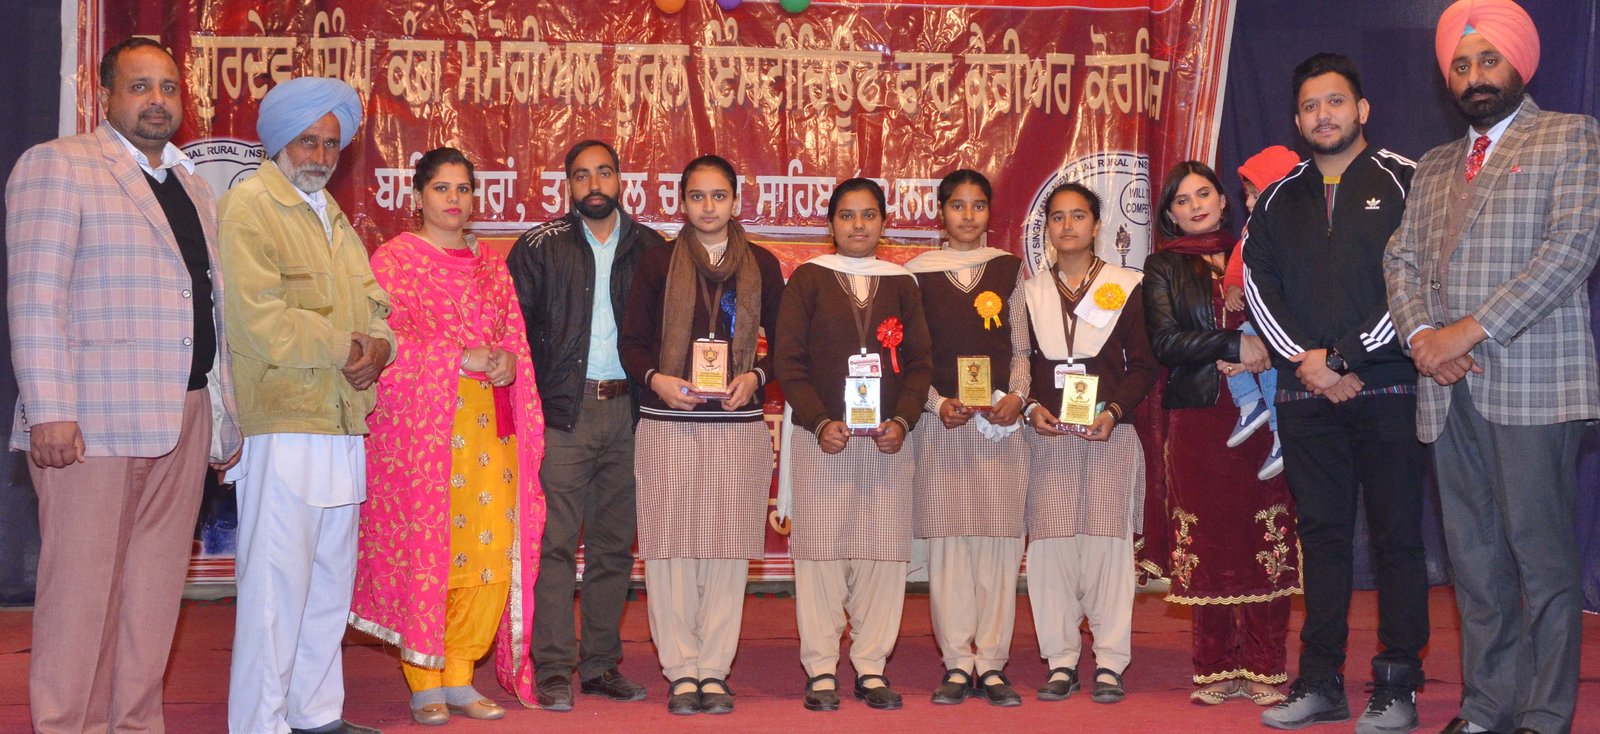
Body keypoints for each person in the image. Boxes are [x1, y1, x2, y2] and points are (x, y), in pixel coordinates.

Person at [5, 36, 242, 733]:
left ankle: (135, 724)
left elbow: (206, 304)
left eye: (168, 88)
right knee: (80, 595)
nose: (157, 101)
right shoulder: (59, 165)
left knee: (154, 594)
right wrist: (49, 410)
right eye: (139, 87)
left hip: (185, 413)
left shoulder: (193, 185)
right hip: (91, 422)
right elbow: (35, 297)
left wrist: (221, 414)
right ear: (103, 95)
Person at [1386, 3, 1600, 731]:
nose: (1474, 75)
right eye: (1460, 64)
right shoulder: (1435, 165)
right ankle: (1486, 708)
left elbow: (1570, 251)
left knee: (1541, 561)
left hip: (1533, 384)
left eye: (1488, 60)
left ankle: (1544, 714)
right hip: (1446, 391)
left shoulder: (1570, 135)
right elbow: (1400, 259)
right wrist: (1423, 336)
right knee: (1474, 563)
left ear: (1519, 64)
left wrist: (1463, 334)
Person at [1245, 53, 1429, 733]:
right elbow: (1258, 287)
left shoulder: (1407, 180)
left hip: (1389, 388)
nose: (1323, 115)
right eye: (1310, 106)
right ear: (1296, 121)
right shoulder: (1276, 199)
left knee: (1396, 538)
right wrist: (1310, 363)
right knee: (1321, 539)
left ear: (1362, 109)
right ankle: (1320, 680)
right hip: (1306, 398)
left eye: (1335, 102)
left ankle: (1397, 683)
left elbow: (1418, 281)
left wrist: (1348, 357)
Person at [348, 147, 547, 725]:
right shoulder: (395, 262)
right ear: (417, 197)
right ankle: (424, 680)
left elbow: (514, 338)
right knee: (432, 551)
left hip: (492, 435)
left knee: (487, 551)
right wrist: (459, 357)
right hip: (427, 437)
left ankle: (460, 676)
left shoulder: (492, 266)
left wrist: (506, 361)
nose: (454, 199)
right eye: (441, 188)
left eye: (463, 188)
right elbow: (385, 347)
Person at [220, 76, 392, 734]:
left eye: (330, 143)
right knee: (275, 589)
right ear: (279, 142)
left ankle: (316, 714)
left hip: (342, 419)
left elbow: (374, 305)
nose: (320, 155)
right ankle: (259, 724)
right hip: (283, 420)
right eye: (307, 141)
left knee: (328, 581)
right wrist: (350, 347)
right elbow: (258, 323)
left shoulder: (331, 213)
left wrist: (381, 346)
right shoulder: (249, 207)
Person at [618, 155, 785, 715]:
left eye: (718, 196)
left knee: (727, 549)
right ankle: (680, 670)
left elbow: (787, 344)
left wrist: (756, 376)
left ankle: (713, 670)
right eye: (697, 196)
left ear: (735, 201)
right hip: (668, 423)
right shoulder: (657, 263)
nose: (708, 207)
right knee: (669, 549)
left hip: (736, 427)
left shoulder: (762, 265)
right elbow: (631, 342)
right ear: (681, 202)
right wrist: (656, 379)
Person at [507, 139, 666, 711]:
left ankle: (600, 664)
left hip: (630, 411)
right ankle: (553, 668)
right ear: (567, 185)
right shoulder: (539, 246)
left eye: (603, 173)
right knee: (553, 543)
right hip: (562, 415)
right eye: (581, 176)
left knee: (612, 546)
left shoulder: (653, 248)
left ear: (621, 179)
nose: (593, 185)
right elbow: (513, 333)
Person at [1144, 161, 1301, 709]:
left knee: (1265, 538)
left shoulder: (1259, 248)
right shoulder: (1163, 266)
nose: (1195, 206)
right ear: (1170, 213)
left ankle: (1264, 664)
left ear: (1223, 199)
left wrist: (1265, 352)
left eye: (1203, 194)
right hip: (1200, 419)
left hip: (1267, 419)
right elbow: (1165, 342)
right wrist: (1233, 345)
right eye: (1182, 200)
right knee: (1207, 543)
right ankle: (1213, 667)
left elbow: (1297, 320)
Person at [773, 177, 933, 713]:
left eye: (868, 215)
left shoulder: (902, 283)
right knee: (820, 555)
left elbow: (921, 364)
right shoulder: (809, 279)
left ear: (884, 222)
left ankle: (870, 667)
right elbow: (788, 361)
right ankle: (821, 669)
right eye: (847, 215)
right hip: (823, 440)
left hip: (887, 442)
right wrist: (819, 421)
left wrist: (904, 420)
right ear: (831, 224)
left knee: (881, 556)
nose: (858, 225)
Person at [1021, 182, 1158, 706]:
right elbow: (1021, 364)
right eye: (1057, 217)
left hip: (1108, 434)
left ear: (1097, 225)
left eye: (1078, 216)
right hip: (1049, 437)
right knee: (1050, 550)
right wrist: (1032, 407)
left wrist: (1115, 411)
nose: (1068, 226)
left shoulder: (1126, 285)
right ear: (1047, 229)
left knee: (1108, 548)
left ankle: (1109, 662)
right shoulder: (1030, 292)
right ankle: (1060, 661)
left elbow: (1144, 365)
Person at [902, 170, 1030, 707]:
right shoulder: (915, 274)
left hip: (1000, 427)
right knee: (951, 549)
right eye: (958, 205)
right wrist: (936, 404)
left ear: (989, 213)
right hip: (943, 425)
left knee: (999, 546)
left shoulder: (1008, 269)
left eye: (978, 205)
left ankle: (993, 663)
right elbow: (910, 356)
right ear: (941, 212)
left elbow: (1021, 346)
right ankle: (957, 663)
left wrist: (1017, 397)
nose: (968, 215)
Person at [1220, 145, 1302, 479]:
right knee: (1230, 345)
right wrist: (1232, 287)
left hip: (1286, 324)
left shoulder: (1298, 231)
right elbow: (1236, 265)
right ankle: (1250, 403)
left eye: (1257, 195)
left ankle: (1280, 431)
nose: (1250, 203)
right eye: (1248, 196)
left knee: (1265, 361)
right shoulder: (1251, 231)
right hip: (1260, 319)